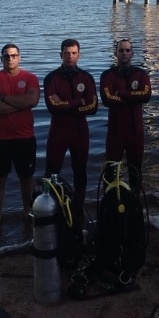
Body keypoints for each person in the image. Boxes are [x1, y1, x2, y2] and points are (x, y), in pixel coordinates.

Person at [0, 43, 41, 233]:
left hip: (25, 138)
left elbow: (32, 101)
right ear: (1, 58)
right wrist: (20, 104)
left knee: (27, 179)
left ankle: (28, 214)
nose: (10, 58)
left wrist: (4, 99)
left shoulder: (30, 78)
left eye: (14, 55)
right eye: (6, 56)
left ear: (20, 57)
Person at [43, 39, 98, 215]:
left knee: (80, 171)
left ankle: (79, 207)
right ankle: (49, 208)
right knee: (52, 172)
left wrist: (65, 105)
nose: (70, 56)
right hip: (58, 131)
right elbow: (53, 107)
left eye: (74, 53)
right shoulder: (51, 78)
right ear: (61, 54)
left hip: (80, 131)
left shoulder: (86, 78)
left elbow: (93, 107)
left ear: (79, 55)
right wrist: (78, 102)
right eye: (67, 53)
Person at [99, 39, 152, 190]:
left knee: (135, 171)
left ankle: (134, 207)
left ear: (132, 53)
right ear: (115, 53)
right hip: (115, 132)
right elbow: (108, 99)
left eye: (127, 50)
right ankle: (110, 206)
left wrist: (121, 94)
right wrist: (134, 97)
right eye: (121, 50)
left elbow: (146, 96)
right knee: (110, 172)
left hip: (136, 132)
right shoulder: (107, 75)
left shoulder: (141, 74)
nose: (124, 53)